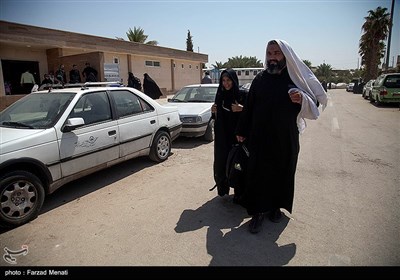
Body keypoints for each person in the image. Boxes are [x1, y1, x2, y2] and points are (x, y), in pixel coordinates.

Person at [235, 39, 327, 234]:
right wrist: (242, 131)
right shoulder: (259, 80)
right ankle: (258, 213)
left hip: (285, 138)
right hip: (259, 138)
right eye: (269, 53)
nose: (272, 57)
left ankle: (275, 208)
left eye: (276, 53)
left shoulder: (295, 79)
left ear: (285, 56)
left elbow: (314, 104)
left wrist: (301, 99)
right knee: (258, 175)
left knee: (282, 172)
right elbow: (249, 107)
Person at [210, 69, 247, 203]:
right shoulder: (220, 94)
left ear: (234, 80)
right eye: (223, 81)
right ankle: (223, 188)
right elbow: (216, 117)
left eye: (228, 80)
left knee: (237, 165)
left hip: (237, 136)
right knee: (222, 163)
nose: (226, 84)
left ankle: (239, 192)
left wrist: (242, 109)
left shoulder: (242, 94)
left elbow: (254, 112)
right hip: (222, 137)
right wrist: (213, 111)